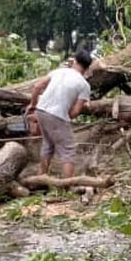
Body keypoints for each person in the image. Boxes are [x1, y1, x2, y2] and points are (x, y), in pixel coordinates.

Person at [26, 50, 94, 178]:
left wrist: (33, 104)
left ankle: (42, 176)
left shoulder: (58, 71)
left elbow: (36, 86)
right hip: (57, 115)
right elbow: (75, 112)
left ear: (74, 61)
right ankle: (66, 186)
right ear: (87, 68)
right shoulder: (84, 85)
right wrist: (67, 114)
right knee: (68, 149)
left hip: (41, 111)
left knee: (48, 144)